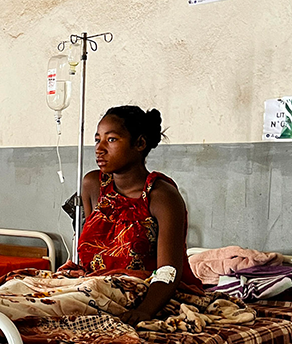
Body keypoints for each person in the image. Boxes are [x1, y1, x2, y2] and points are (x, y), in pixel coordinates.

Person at [77, 105, 203, 326]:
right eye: (98, 140)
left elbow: (168, 270)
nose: (100, 148)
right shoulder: (93, 185)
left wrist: (145, 311)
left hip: (149, 293)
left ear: (140, 144)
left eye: (112, 140)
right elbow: (93, 252)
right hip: (96, 287)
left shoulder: (162, 196)